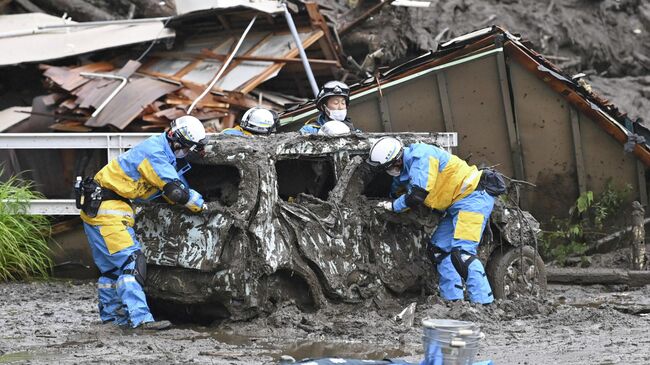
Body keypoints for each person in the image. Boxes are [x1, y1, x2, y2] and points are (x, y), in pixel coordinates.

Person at [77, 115, 208, 330]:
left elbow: (158, 187)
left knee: (110, 271)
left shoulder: (157, 145)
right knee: (132, 261)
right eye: (188, 149)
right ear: (178, 143)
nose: (187, 153)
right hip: (109, 212)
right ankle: (141, 320)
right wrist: (202, 205)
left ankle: (111, 320)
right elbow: (175, 191)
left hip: (97, 209)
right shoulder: (156, 154)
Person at [367, 137, 505, 304]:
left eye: (387, 168)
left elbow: (417, 194)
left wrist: (393, 206)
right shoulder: (406, 167)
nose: (388, 172)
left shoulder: (422, 156)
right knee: (438, 249)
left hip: (473, 197)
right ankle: (453, 302)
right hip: (457, 205)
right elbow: (398, 188)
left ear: (396, 160)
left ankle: (485, 304)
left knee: (463, 254)